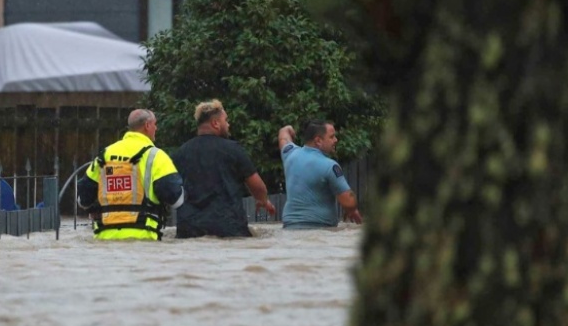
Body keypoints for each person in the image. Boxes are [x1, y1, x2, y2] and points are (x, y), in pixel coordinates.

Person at [77, 109, 184, 240]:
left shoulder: (105, 154)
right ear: (147, 125)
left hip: (104, 241)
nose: (156, 128)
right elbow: (177, 200)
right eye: (155, 124)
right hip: (144, 239)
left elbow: (83, 200)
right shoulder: (156, 156)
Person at [173, 100, 275, 238]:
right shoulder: (233, 150)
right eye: (226, 120)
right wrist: (263, 200)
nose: (228, 124)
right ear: (215, 123)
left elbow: (171, 188)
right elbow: (257, 186)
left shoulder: (180, 153)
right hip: (228, 228)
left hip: (189, 230)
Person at [278, 120, 362, 229]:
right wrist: (353, 208)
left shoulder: (289, 154)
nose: (336, 140)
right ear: (318, 141)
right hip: (320, 231)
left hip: (289, 229)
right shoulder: (330, 166)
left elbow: (283, 137)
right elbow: (349, 202)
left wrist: (286, 129)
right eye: (332, 137)